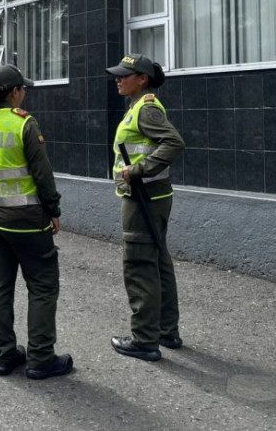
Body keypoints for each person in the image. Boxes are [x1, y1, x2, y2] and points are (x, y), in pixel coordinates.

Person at [0, 64, 72, 380]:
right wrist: (53, 209)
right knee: (42, 286)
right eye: (23, 89)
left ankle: (4, 356)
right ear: (14, 92)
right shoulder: (23, 123)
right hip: (26, 220)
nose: (24, 94)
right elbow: (42, 173)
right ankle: (41, 358)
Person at [106, 53, 185, 362]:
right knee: (158, 262)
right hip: (152, 197)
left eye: (124, 75)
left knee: (140, 265)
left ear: (142, 79)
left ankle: (144, 340)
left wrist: (138, 170)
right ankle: (166, 331)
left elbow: (173, 142)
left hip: (143, 198)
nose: (118, 79)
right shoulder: (138, 107)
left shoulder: (146, 109)